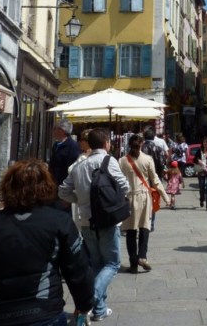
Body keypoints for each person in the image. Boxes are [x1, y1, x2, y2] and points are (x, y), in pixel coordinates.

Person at [0, 159, 94, 326]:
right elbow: (78, 269)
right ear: (46, 187)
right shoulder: (59, 222)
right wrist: (84, 303)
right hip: (45, 313)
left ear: (7, 187)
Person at [58, 128, 129, 322]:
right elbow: (125, 186)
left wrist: (81, 200)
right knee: (112, 263)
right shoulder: (109, 161)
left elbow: (62, 191)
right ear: (106, 143)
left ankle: (100, 309)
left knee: (96, 264)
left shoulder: (79, 166)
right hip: (107, 220)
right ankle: (88, 302)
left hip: (86, 222)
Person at [120, 134, 168, 274]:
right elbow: (155, 181)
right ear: (141, 144)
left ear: (129, 145)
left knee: (130, 232)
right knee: (144, 228)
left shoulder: (122, 161)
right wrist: (166, 197)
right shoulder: (148, 159)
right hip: (145, 197)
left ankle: (133, 264)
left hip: (129, 198)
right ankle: (142, 256)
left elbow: (118, 181)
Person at [49, 119, 80, 207]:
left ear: (62, 130)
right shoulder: (56, 145)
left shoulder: (72, 146)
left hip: (64, 189)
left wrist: (68, 195)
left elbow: (73, 171)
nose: (53, 131)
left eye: (55, 128)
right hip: (54, 187)